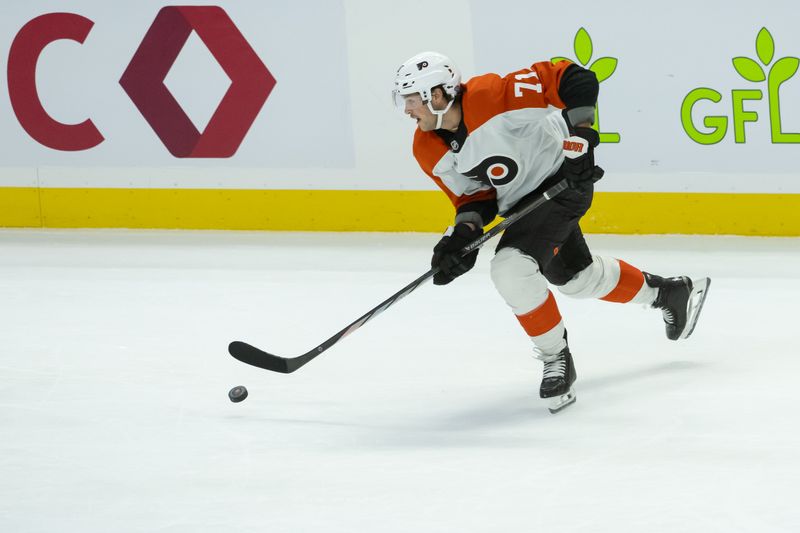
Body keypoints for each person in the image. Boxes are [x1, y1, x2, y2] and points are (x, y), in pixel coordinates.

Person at [392, 51, 710, 413]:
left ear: (437, 95)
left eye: (412, 99)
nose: (407, 110)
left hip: (564, 182)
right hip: (524, 208)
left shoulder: (492, 96)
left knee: (510, 267)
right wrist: (460, 239)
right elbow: (476, 198)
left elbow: (575, 79)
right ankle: (669, 293)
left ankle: (555, 357)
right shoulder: (426, 146)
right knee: (576, 277)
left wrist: (583, 137)